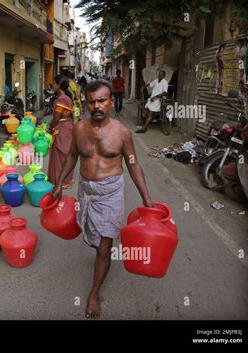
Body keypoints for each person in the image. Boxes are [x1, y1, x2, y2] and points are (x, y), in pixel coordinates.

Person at [51, 80, 154, 319]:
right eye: (92, 101)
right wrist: (58, 186)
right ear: (86, 103)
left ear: (111, 102)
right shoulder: (79, 128)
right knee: (92, 237)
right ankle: (102, 254)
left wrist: (146, 198)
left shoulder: (122, 132)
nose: (96, 106)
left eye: (102, 101)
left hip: (111, 193)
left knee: (105, 245)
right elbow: (72, 156)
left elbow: (133, 164)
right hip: (86, 191)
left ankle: (94, 293)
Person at [48, 74, 75, 189]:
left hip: (63, 129)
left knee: (61, 155)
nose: (53, 85)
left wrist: (49, 128)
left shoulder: (62, 100)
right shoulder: (66, 98)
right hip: (66, 127)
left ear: (59, 85)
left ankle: (61, 181)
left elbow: (56, 118)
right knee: (63, 154)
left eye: (54, 83)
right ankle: (63, 179)